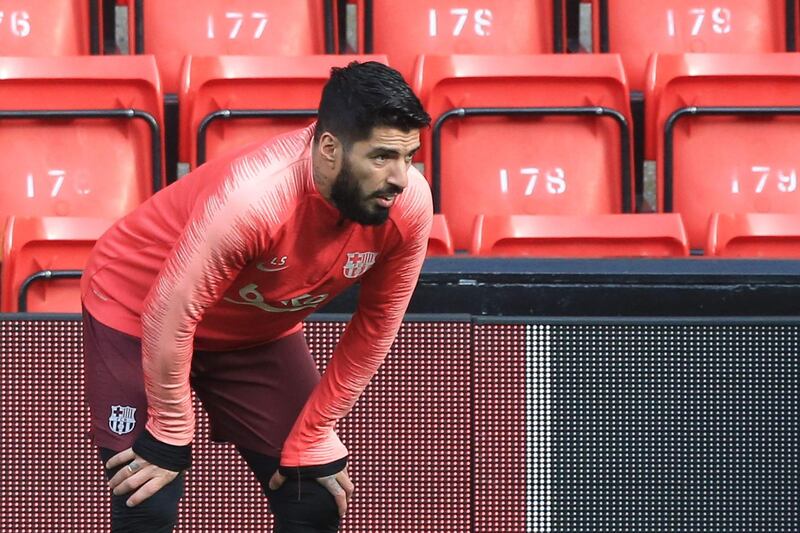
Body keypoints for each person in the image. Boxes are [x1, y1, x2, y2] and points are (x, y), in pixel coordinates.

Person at [80, 61, 432, 532]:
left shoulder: (407, 207)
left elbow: (377, 327)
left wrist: (316, 430)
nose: (400, 178)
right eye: (382, 157)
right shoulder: (254, 199)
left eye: (409, 157)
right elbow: (171, 311)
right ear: (329, 148)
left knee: (314, 494)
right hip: (136, 308)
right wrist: (169, 430)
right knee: (147, 495)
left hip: (251, 330)